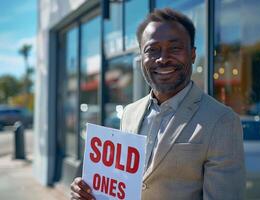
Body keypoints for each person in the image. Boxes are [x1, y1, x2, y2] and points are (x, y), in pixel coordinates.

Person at [70, 8, 245, 200]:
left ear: (193, 55)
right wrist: (90, 193)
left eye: (175, 48)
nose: (163, 58)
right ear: (141, 58)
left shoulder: (222, 121)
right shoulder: (130, 113)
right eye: (152, 50)